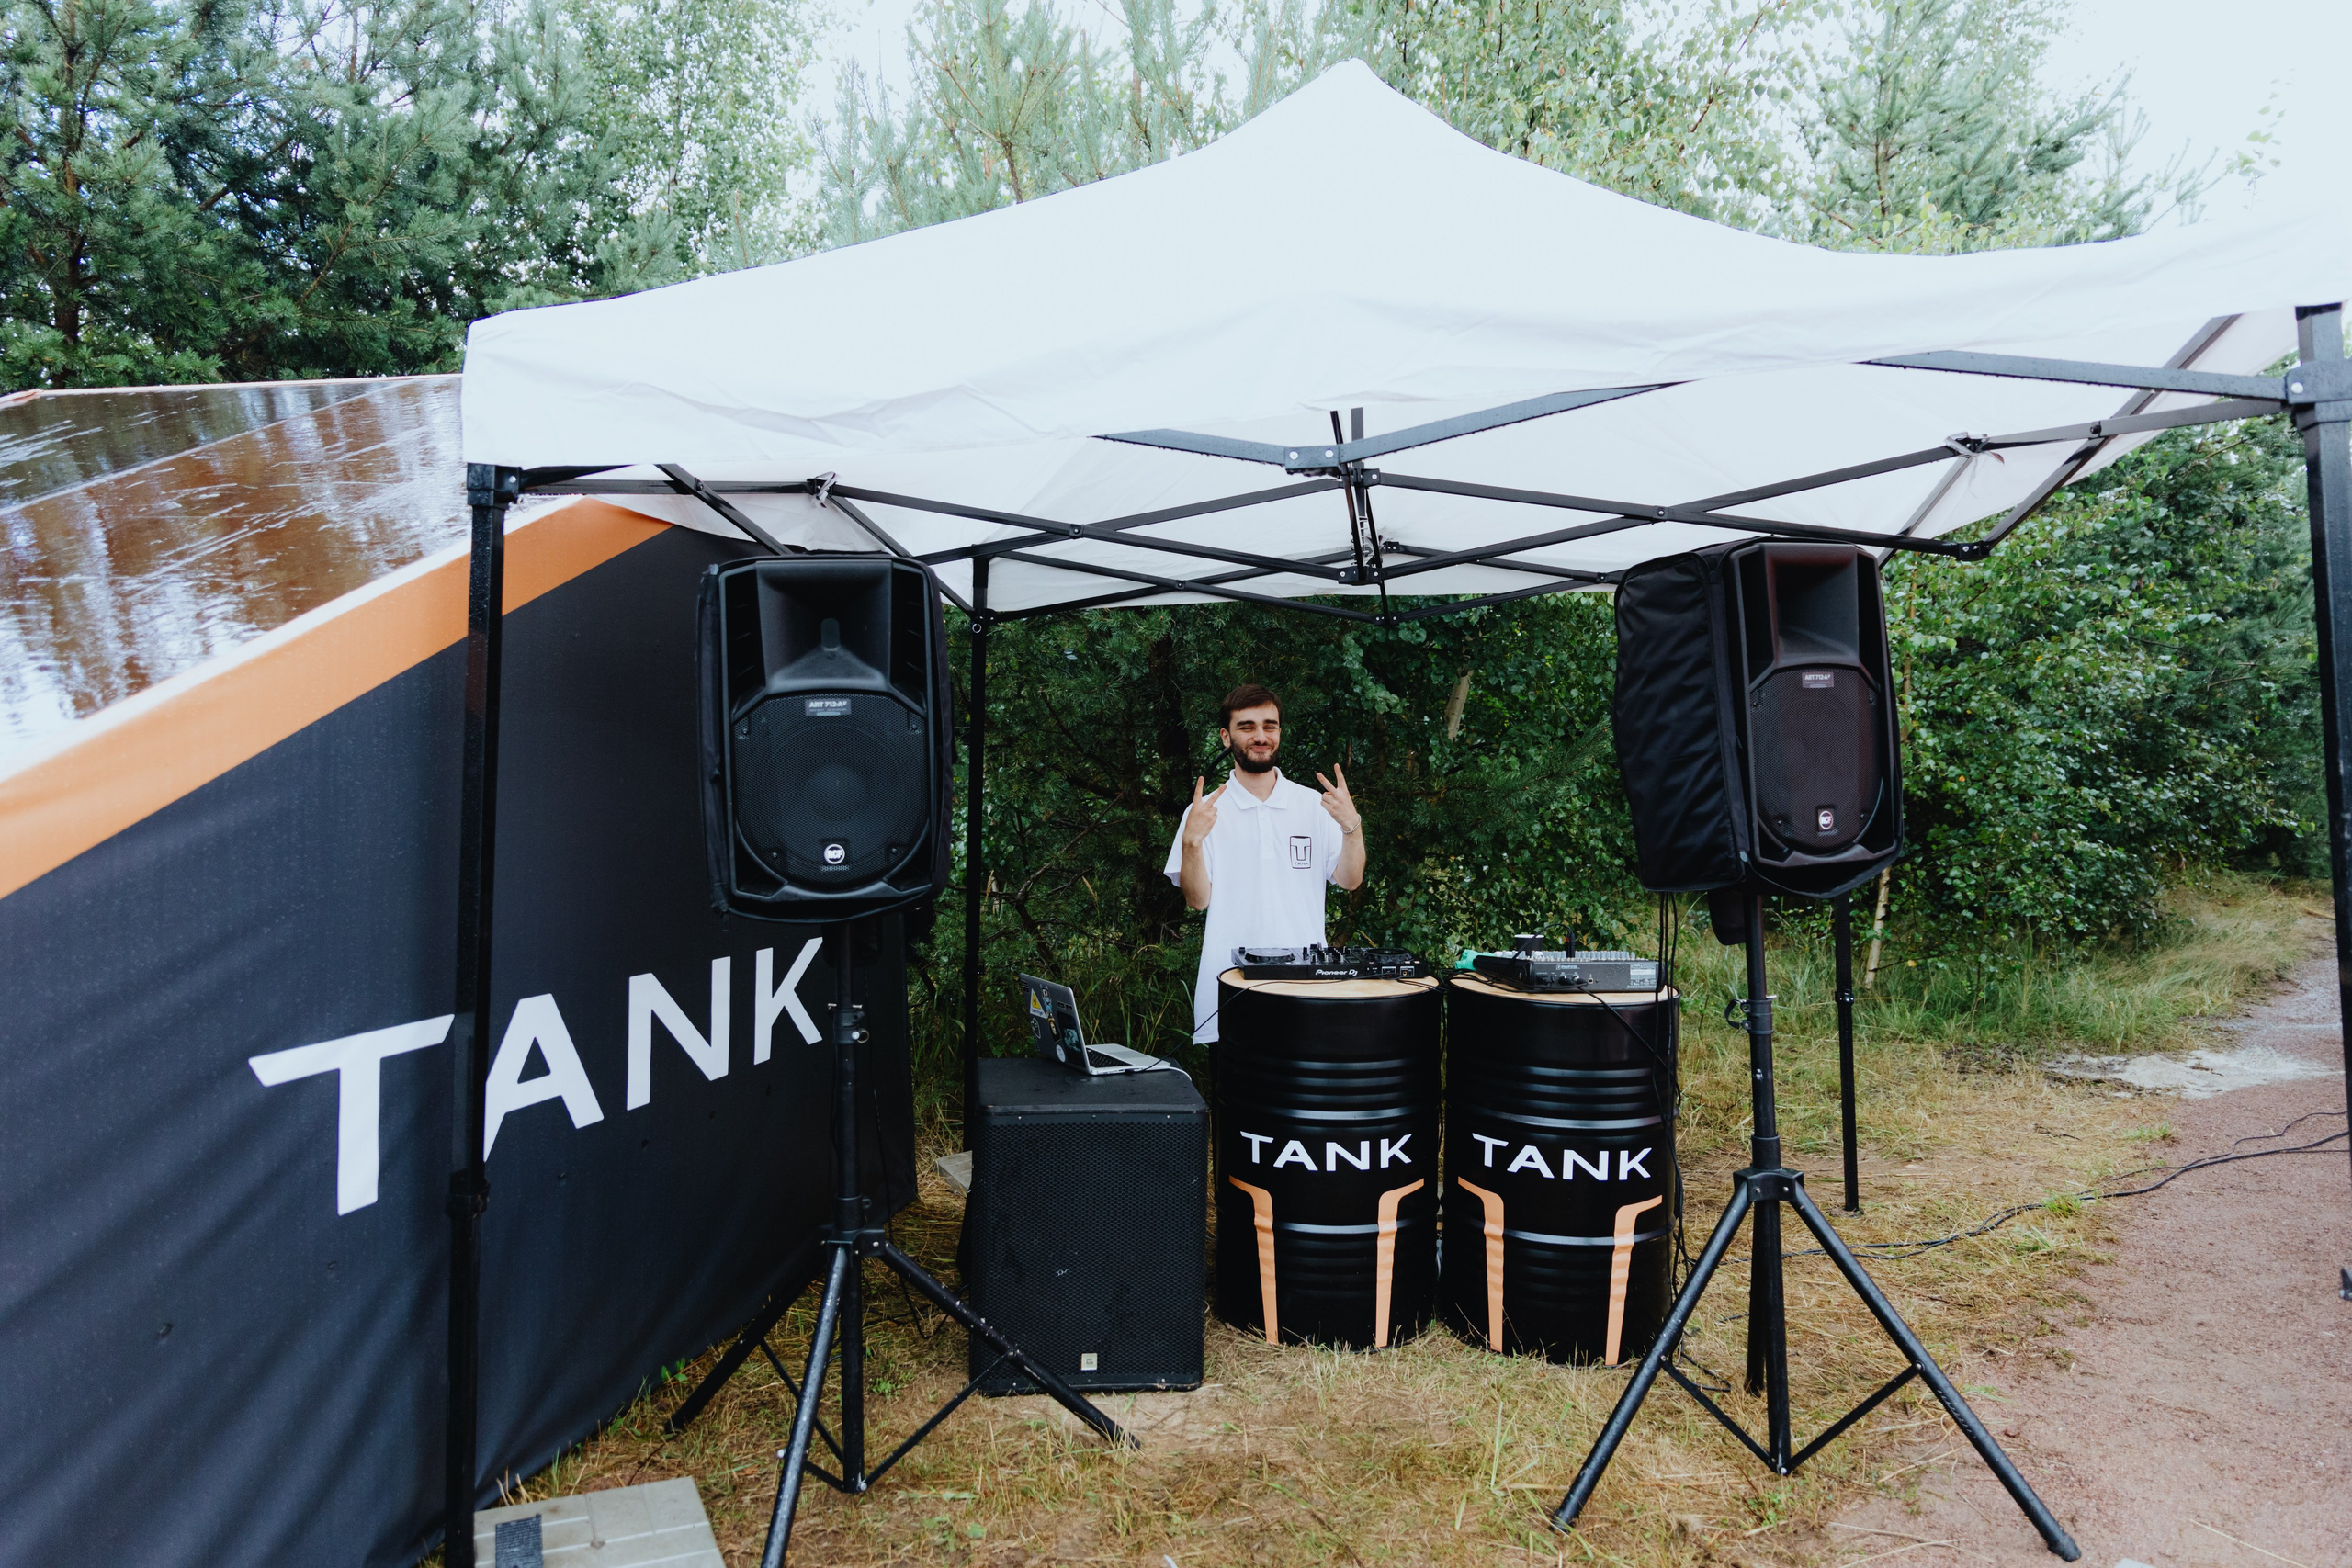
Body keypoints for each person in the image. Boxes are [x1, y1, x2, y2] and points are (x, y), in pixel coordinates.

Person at [1163, 683, 1365, 1043]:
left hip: (1306, 989)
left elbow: (1350, 880)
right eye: (1247, 727)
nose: (1260, 736)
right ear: (1226, 737)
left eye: (1269, 726)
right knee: (1236, 1096)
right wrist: (1192, 842)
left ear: (1279, 734)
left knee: (1305, 1097)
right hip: (1227, 987)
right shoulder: (1203, 812)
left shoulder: (1315, 806)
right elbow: (1197, 900)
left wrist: (1351, 826)